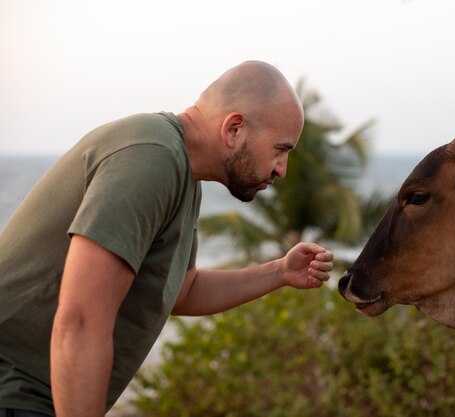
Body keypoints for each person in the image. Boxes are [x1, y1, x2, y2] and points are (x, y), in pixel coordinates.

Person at [0, 60, 334, 417]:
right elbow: (81, 320)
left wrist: (280, 272)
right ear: (234, 128)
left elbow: (181, 291)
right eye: (280, 150)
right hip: (14, 391)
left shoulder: (182, 175)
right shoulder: (152, 156)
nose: (281, 169)